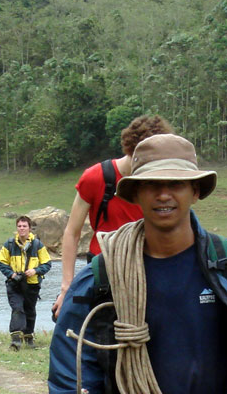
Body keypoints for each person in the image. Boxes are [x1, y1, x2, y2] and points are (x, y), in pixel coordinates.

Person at [49, 134, 227, 394]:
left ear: (195, 192)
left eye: (176, 184)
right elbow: (72, 376)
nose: (163, 194)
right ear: (136, 194)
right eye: (151, 184)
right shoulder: (103, 275)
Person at [52, 115, 175, 320]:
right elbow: (72, 233)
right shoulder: (95, 177)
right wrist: (67, 287)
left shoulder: (160, 185)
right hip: (103, 269)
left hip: (147, 268)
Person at [0, 216, 53, 350]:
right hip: (14, 284)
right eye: (19, 226)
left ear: (29, 228)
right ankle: (16, 339)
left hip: (32, 284)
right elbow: (1, 262)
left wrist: (36, 270)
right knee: (17, 308)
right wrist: (12, 274)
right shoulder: (9, 245)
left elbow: (47, 264)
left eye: (24, 226)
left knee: (30, 310)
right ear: (16, 228)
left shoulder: (37, 245)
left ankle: (28, 336)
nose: (22, 229)